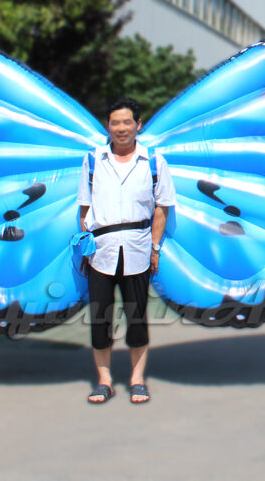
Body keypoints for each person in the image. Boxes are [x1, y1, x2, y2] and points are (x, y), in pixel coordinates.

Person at [76, 97, 176, 404]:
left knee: (137, 316)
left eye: (127, 122)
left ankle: (137, 379)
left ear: (138, 125)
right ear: (108, 125)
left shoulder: (155, 162)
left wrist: (155, 249)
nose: (121, 128)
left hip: (137, 249)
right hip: (101, 253)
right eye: (115, 122)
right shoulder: (93, 160)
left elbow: (162, 209)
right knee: (100, 318)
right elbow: (84, 208)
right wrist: (86, 244)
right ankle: (104, 380)